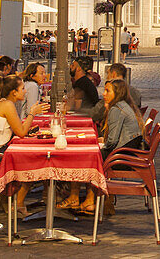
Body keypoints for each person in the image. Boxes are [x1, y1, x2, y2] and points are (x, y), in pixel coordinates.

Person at [61, 79, 145, 214]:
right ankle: (85, 198)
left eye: (108, 91)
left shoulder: (116, 109)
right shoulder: (122, 105)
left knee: (85, 157)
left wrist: (100, 143)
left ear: (117, 93)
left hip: (122, 157)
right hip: (128, 153)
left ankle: (79, 197)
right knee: (88, 153)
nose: (104, 94)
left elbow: (111, 142)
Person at [0, 75, 47, 216]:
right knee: (32, 162)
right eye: (22, 88)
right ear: (14, 92)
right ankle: (17, 202)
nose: (25, 91)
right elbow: (22, 132)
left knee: (26, 157)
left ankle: (9, 201)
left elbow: (17, 130)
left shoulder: (1, 102)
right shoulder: (7, 105)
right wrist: (32, 113)